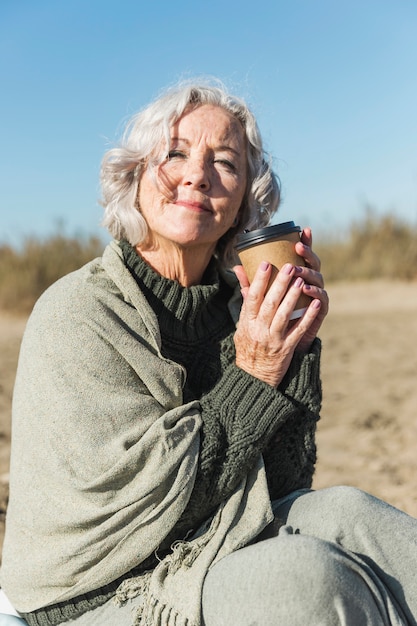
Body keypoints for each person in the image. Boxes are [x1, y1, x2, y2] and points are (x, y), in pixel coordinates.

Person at [1, 79, 416, 626]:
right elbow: (153, 507)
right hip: (98, 591)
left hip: (210, 540)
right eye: (175, 153)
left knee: (352, 514)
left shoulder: (233, 310)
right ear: (136, 174)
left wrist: (294, 348)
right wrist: (256, 369)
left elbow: (286, 483)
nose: (197, 174)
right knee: (305, 581)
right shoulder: (79, 313)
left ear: (245, 197)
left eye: (225, 162)